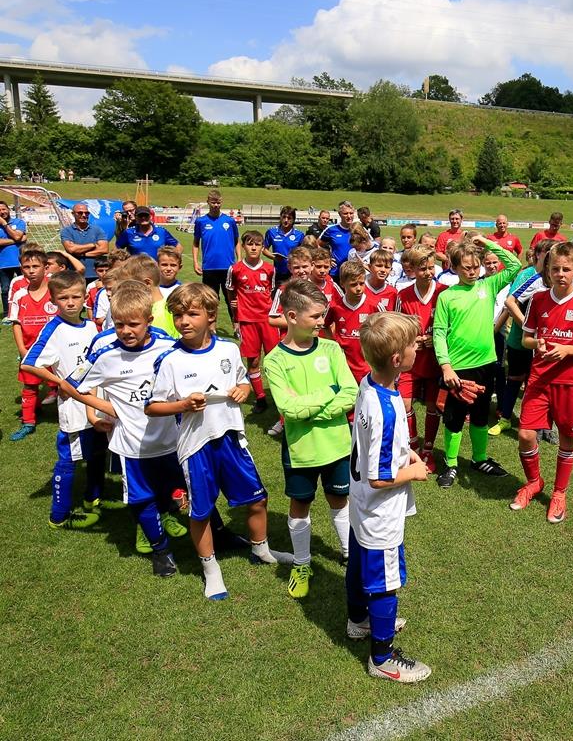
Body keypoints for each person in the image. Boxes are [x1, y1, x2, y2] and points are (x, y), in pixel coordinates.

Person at [147, 283, 292, 599]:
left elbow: (241, 381)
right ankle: (210, 569)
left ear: (210, 315)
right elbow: (152, 406)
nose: (184, 321)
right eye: (178, 315)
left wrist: (245, 389)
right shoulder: (170, 360)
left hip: (230, 438)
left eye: (192, 314)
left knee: (257, 499)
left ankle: (262, 549)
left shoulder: (228, 349)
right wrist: (183, 405)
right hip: (196, 446)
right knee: (200, 510)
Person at [60, 284, 183, 578]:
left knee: (171, 493)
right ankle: (160, 549)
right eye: (119, 324)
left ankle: (179, 523)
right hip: (131, 445)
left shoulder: (167, 345)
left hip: (172, 440)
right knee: (141, 498)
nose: (126, 330)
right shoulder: (104, 355)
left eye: (133, 324)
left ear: (149, 321)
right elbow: (69, 384)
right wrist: (104, 407)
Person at [346, 311, 432, 683]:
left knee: (357, 563)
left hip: (359, 502)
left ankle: (357, 620)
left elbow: (376, 447)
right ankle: (382, 658)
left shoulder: (374, 383)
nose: (418, 348)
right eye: (414, 345)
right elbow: (381, 478)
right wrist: (413, 470)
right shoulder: (385, 407)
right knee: (385, 581)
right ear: (397, 359)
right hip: (379, 508)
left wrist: (405, 453)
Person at [261, 279, 358, 598]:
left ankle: (349, 553)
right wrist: (328, 395)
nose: (322, 321)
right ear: (290, 316)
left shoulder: (331, 349)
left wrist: (312, 406)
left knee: (339, 500)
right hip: (301, 449)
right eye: (316, 316)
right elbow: (288, 409)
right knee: (300, 503)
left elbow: (351, 393)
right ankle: (301, 563)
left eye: (323, 315)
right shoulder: (275, 360)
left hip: (337, 445)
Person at [510, 242, 573, 522]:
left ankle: (559, 493)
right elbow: (527, 337)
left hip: (570, 381)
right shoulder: (538, 300)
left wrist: (568, 350)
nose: (560, 274)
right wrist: (536, 343)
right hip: (539, 378)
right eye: (555, 269)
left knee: (567, 438)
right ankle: (534, 482)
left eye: (566, 269)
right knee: (526, 434)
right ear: (547, 271)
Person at [19, 270, 106, 527]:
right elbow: (29, 363)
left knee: (98, 452)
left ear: (84, 298)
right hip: (74, 409)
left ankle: (93, 498)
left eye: (75, 297)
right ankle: (59, 516)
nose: (70, 302)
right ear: (54, 300)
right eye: (63, 298)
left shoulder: (91, 326)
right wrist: (60, 383)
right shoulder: (54, 329)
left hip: (97, 404)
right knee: (69, 458)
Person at [432, 235, 521, 488]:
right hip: (458, 368)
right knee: (455, 417)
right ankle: (450, 464)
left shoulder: (488, 286)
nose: (472, 272)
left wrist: (487, 242)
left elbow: (514, 265)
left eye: (475, 267)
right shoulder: (448, 296)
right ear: (455, 267)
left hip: (486, 364)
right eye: (466, 267)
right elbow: (439, 332)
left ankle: (480, 459)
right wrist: (446, 366)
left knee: (482, 414)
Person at [395, 245, 448, 473]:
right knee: (405, 405)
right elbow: (396, 327)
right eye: (422, 268)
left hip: (436, 362)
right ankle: (413, 445)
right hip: (410, 362)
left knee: (433, 407)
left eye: (430, 267)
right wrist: (411, 341)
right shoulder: (403, 295)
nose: (428, 272)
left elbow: (452, 328)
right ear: (411, 269)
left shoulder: (444, 293)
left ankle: (428, 449)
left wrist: (434, 339)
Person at [225, 230, 277, 413]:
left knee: (274, 360)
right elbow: (231, 292)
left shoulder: (270, 269)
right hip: (247, 321)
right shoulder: (236, 269)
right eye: (250, 244)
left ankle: (279, 396)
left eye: (257, 244)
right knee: (253, 361)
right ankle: (261, 398)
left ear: (263, 247)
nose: (253, 247)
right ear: (244, 246)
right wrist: (236, 320)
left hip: (268, 321)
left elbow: (272, 294)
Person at [9, 250, 56, 441]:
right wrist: (22, 349)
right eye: (26, 267)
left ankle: (68, 418)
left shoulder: (55, 290)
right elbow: (16, 323)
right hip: (30, 350)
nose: (31, 271)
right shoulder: (19, 295)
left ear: (45, 268)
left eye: (35, 266)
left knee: (61, 385)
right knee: (30, 386)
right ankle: (28, 422)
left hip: (55, 350)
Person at [324, 259, 381, 382]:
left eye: (362, 283)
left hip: (368, 366)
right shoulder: (335, 306)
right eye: (354, 284)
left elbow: (385, 329)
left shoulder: (374, 305)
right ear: (342, 284)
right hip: (344, 365)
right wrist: (333, 344)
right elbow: (324, 325)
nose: (359, 288)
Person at [193, 191, 240, 307]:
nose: (216, 205)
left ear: (221, 202)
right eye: (213, 202)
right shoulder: (201, 221)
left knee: (232, 300)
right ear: (208, 202)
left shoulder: (229, 221)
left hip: (228, 267)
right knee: (209, 301)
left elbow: (237, 241)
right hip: (209, 267)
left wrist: (239, 259)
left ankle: (236, 325)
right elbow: (195, 243)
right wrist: (195, 262)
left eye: (218, 202)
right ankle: (210, 326)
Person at [59, 202, 111, 281]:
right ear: (73, 214)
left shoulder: (97, 229)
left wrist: (81, 254)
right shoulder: (66, 231)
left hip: (97, 274)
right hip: (75, 274)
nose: (84, 215)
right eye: (80, 213)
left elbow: (104, 249)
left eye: (86, 213)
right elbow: (71, 249)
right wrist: (92, 245)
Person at [116, 207, 181, 259]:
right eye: (140, 216)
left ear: (150, 217)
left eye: (146, 215)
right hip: (136, 272)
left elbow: (178, 247)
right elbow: (116, 249)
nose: (143, 218)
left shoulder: (161, 231)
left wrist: (172, 260)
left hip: (157, 271)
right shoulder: (129, 232)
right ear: (136, 217)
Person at [0, 201, 28, 310]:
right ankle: (8, 313)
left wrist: (4, 224)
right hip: (3, 263)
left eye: (3, 209)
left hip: (22, 261)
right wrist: (17, 240)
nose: (2, 212)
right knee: (5, 289)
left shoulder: (19, 222)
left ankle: (27, 309)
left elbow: (17, 236)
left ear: (8, 209)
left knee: (26, 286)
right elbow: (17, 238)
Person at [264, 206, 305, 281]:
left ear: (293, 220)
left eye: (289, 218)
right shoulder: (271, 232)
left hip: (294, 272)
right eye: (284, 217)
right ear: (280, 217)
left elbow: (303, 254)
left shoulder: (299, 235)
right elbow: (264, 250)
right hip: (277, 272)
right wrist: (274, 258)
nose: (286, 220)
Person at [319, 201, 356, 273]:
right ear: (340, 214)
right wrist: (326, 258)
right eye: (345, 213)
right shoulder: (331, 230)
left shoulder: (359, 230)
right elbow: (317, 245)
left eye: (351, 213)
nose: (349, 216)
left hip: (353, 273)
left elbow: (371, 246)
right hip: (335, 272)